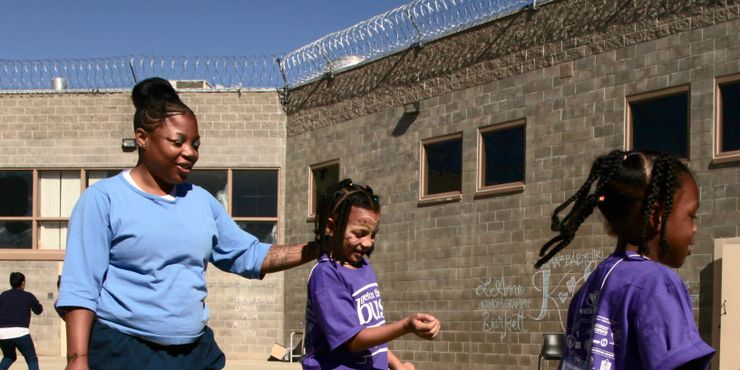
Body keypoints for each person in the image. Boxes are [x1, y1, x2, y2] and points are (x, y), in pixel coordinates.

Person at [56, 77, 320, 370]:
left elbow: (249, 255)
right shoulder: (103, 200)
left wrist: (319, 248)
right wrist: (77, 359)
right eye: (177, 142)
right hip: (126, 350)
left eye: (195, 144)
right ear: (142, 138)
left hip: (194, 353)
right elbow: (81, 287)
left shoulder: (201, 201)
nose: (190, 152)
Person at [534, 150, 715, 370]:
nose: (694, 228)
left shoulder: (591, 287)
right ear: (656, 215)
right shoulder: (657, 285)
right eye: (691, 215)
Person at [302, 179, 441, 370]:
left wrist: (397, 365)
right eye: (360, 233)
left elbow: (371, 337)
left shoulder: (362, 266)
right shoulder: (327, 275)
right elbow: (353, 340)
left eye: (373, 234)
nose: (368, 243)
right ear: (332, 227)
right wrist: (406, 326)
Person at [0, 272, 43, 370]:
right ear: (23, 283)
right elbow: (39, 310)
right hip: (20, 332)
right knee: (31, 359)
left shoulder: (3, 295)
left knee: (9, 356)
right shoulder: (27, 296)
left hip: (2, 333)